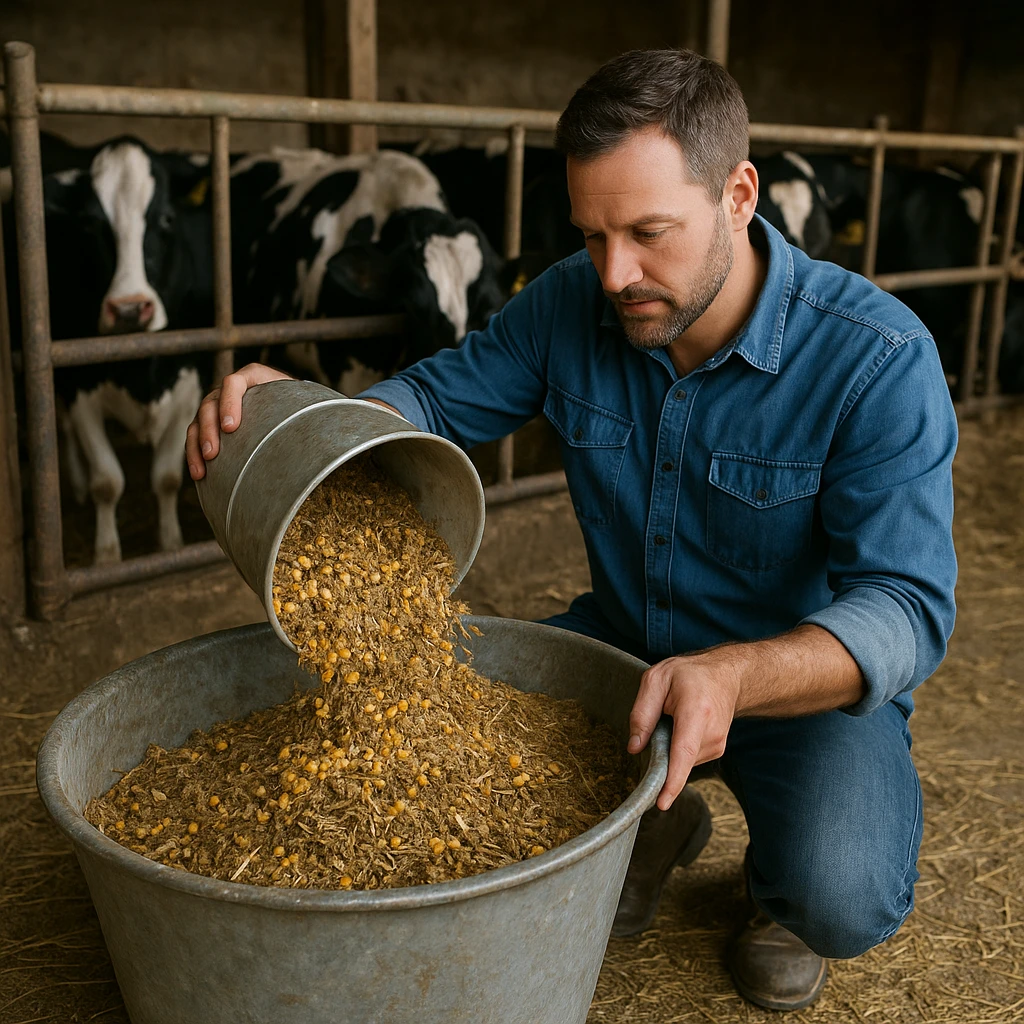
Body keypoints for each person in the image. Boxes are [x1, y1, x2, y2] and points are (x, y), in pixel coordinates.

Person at [186, 49, 957, 1011]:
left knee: (845, 895)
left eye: (647, 232)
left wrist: (733, 675)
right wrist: (309, 420)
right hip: (620, 654)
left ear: (738, 194)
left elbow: (908, 607)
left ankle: (775, 900)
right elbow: (434, 395)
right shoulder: (572, 299)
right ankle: (660, 825)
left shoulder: (877, 359)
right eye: (592, 235)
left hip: (789, 685)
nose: (615, 273)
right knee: (436, 753)